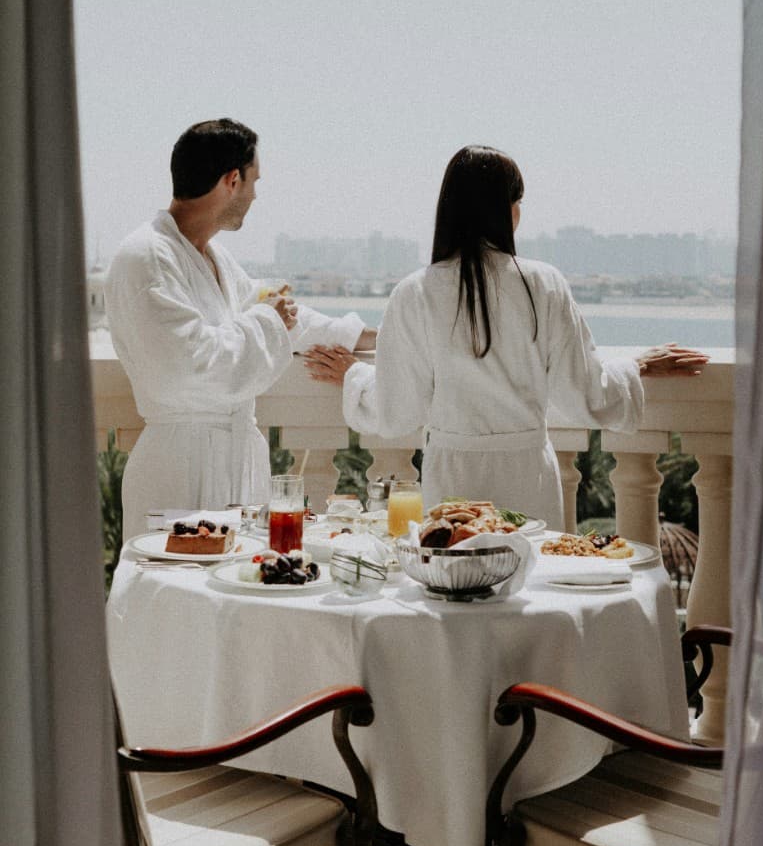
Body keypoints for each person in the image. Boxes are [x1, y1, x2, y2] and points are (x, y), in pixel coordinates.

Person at [304, 145, 708, 530]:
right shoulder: (544, 284)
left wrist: (355, 376)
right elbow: (584, 394)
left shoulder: (415, 292)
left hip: (452, 478)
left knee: (456, 581)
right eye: (518, 202)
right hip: (528, 475)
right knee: (528, 588)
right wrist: (636, 365)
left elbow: (398, 413)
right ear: (506, 211)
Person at [105, 118, 376, 542]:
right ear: (232, 180)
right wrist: (270, 321)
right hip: (181, 471)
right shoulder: (147, 257)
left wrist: (369, 338)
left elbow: (282, 315)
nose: (255, 195)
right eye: (254, 182)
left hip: (233, 467)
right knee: (177, 599)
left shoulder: (210, 257)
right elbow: (192, 368)